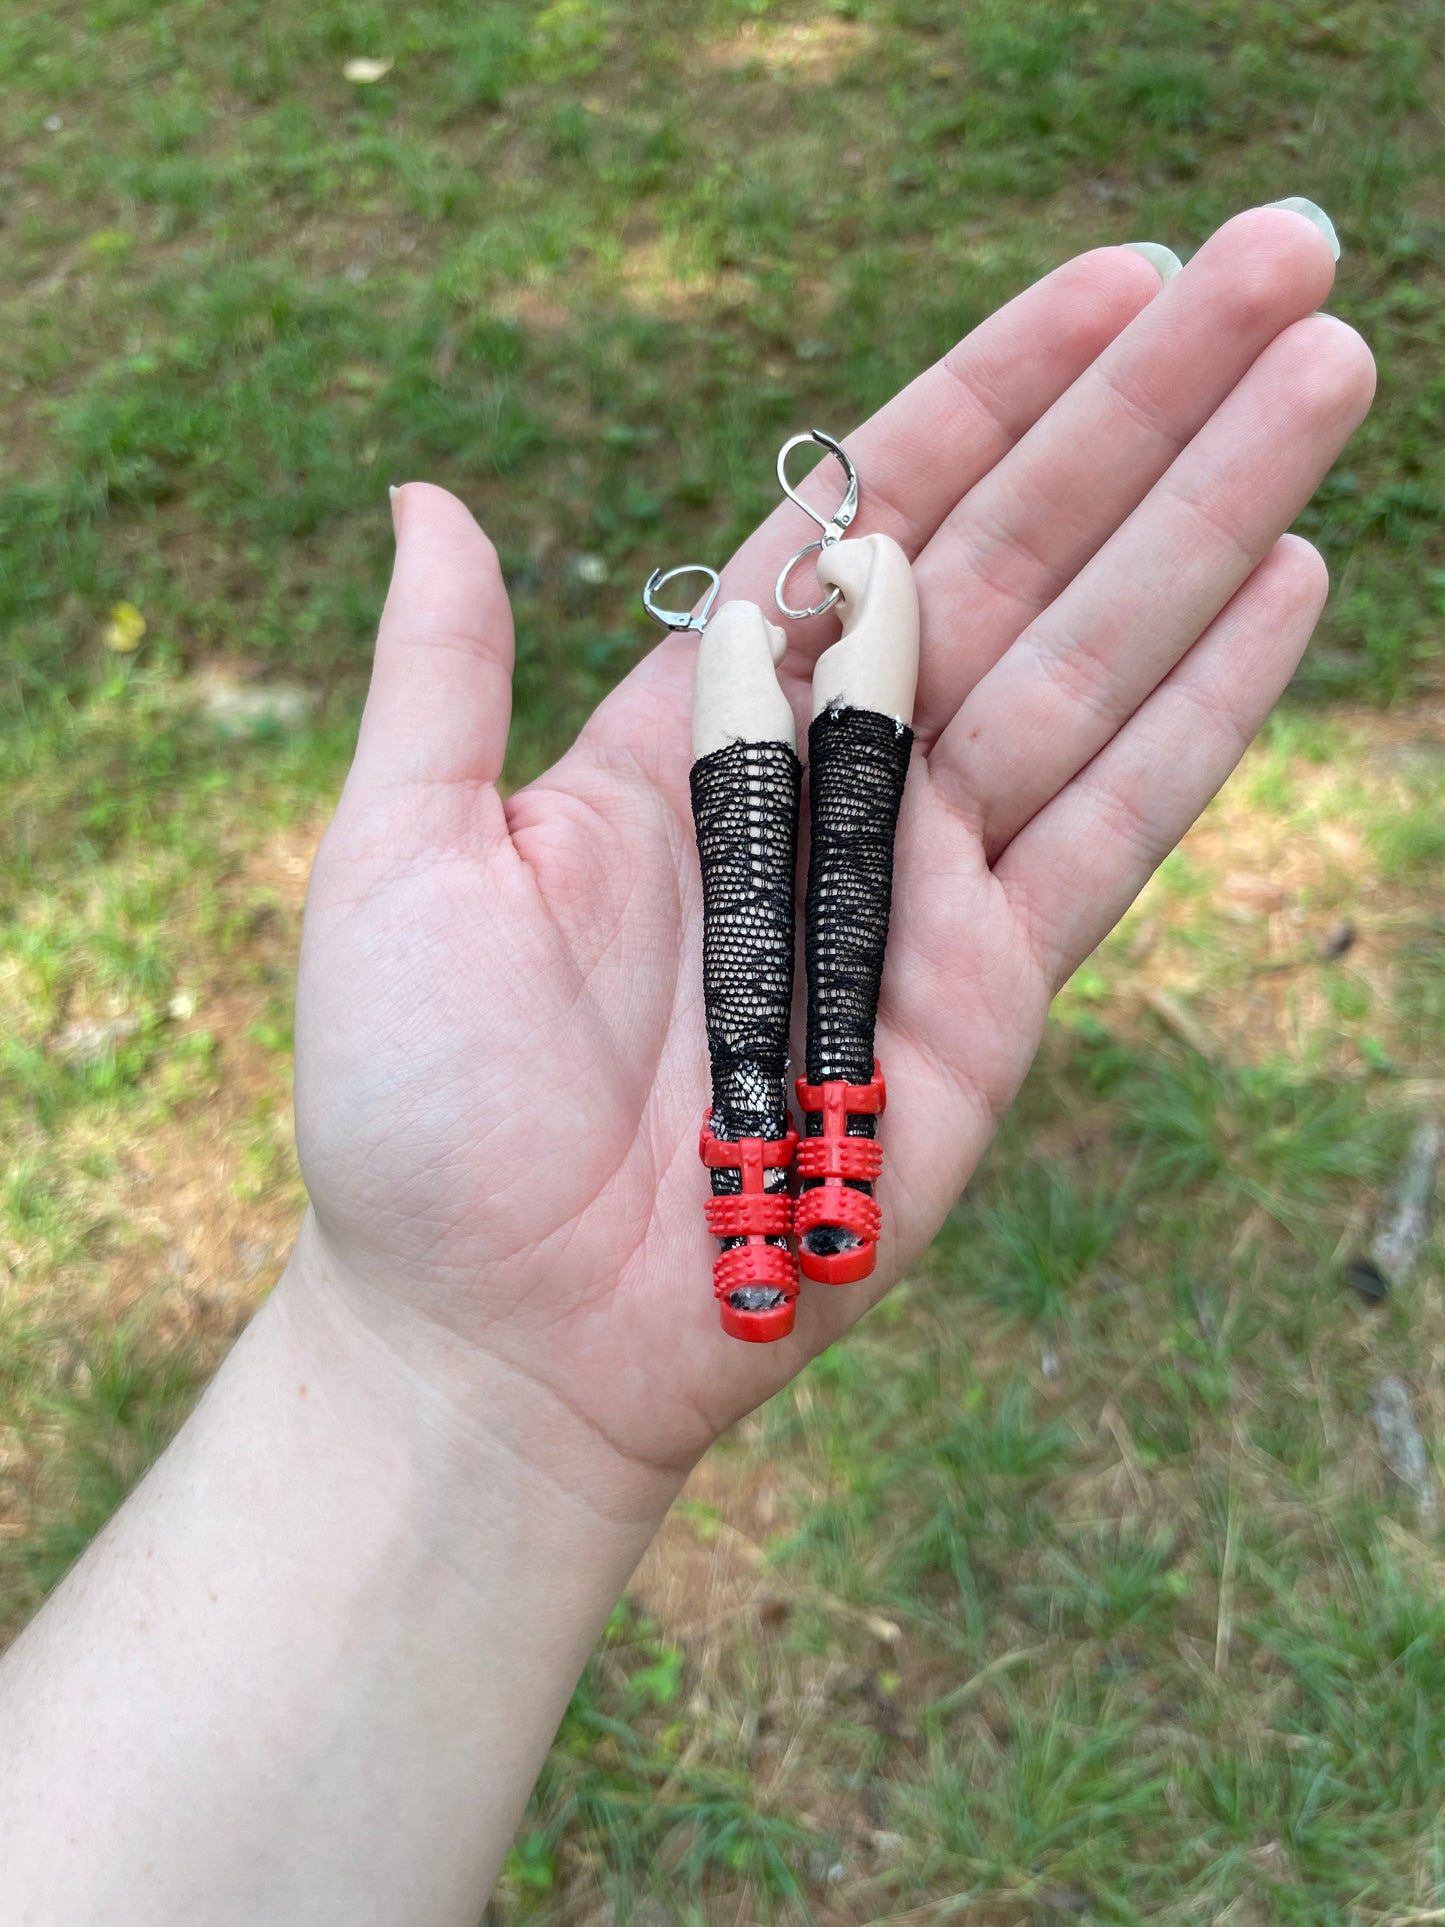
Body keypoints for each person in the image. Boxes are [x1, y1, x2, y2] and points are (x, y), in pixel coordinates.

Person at [0, 205, 1372, 1925]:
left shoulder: (804, 671)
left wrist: (426, 1371)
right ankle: (777, 1177)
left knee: (821, 941)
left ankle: (799, 1171)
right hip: (749, 930)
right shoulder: (755, 678)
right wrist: (432, 1351)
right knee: (793, 962)